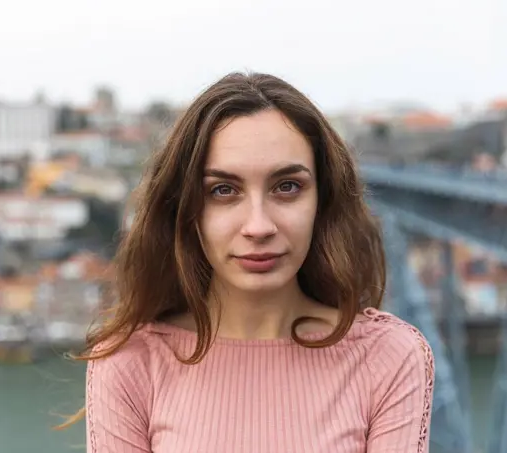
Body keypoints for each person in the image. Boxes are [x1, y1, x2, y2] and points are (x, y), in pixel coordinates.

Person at [66, 72, 435, 452]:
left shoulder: (388, 357)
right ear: (185, 209)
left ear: (321, 202)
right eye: (223, 190)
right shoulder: (130, 365)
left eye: (287, 187)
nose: (259, 226)